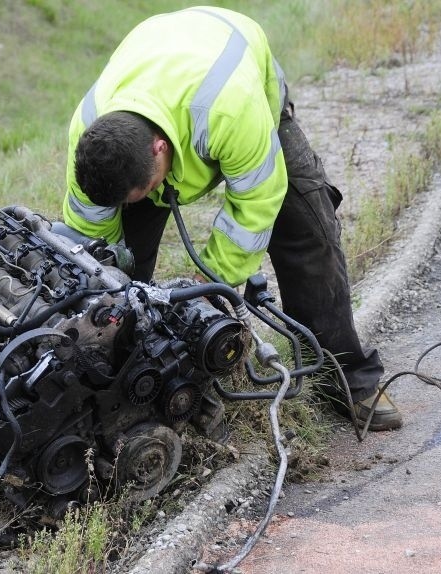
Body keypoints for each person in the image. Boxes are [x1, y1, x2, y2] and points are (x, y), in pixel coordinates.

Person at [60, 6, 402, 431]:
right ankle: (132, 398)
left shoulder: (230, 110)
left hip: (235, 78)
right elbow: (92, 243)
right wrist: (108, 297)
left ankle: (348, 378)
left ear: (159, 149)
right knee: (120, 279)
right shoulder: (91, 137)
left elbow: (254, 207)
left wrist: (211, 289)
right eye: (132, 200)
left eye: (144, 192)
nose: (142, 201)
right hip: (158, 70)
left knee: (307, 234)